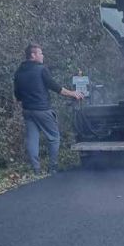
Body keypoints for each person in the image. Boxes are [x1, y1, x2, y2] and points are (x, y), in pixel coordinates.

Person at [13, 43, 84, 174]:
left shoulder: (19, 71)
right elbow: (55, 87)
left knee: (32, 139)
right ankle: (53, 167)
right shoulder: (41, 69)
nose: (42, 55)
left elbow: (17, 95)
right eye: (40, 53)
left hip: (27, 110)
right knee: (54, 137)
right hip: (42, 110)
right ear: (33, 55)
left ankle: (36, 169)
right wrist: (74, 93)